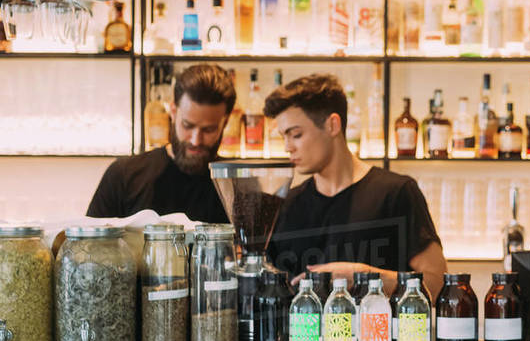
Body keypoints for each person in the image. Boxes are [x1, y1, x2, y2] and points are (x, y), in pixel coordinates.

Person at [265, 74, 446, 297]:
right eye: (284, 137)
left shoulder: (396, 193)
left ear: (332, 125)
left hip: (379, 331)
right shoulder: (284, 205)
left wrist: (363, 276)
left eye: (296, 135)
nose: (287, 147)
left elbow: (437, 285)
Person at [87, 63, 233, 223]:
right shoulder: (123, 175)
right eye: (188, 125)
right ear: (173, 112)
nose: (195, 140)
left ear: (225, 122)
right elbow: (89, 247)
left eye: (209, 130)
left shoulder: (236, 186)